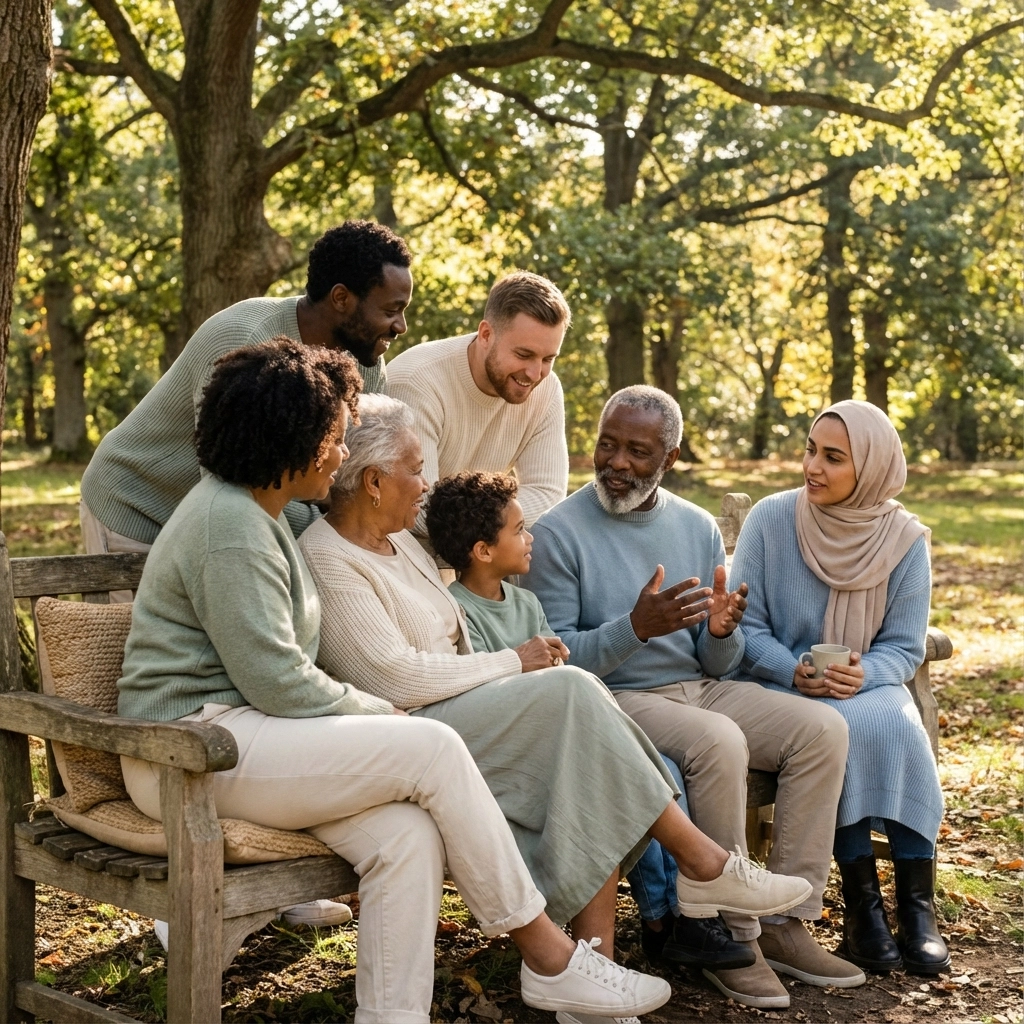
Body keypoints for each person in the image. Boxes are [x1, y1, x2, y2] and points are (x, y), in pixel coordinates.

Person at [115, 337, 683, 1024]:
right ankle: (550, 956)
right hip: (190, 750)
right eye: (333, 437)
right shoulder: (229, 526)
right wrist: (385, 715)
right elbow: (280, 683)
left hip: (243, 740)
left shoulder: (252, 513)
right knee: (433, 749)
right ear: (291, 437)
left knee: (406, 837)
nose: (340, 455)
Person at [298, 393, 816, 1020]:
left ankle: (592, 960)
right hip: (410, 736)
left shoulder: (402, 541)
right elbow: (395, 678)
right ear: (375, 482)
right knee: (573, 692)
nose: (424, 482)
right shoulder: (329, 558)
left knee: (582, 743)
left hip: (468, 715)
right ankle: (700, 863)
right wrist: (515, 662)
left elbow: (473, 550)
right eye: (415, 468)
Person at [524, 385, 865, 1010]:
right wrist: (636, 627)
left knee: (821, 730)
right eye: (607, 444)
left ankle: (789, 921)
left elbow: (718, 663)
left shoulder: (696, 524)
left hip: (702, 687)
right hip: (616, 698)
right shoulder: (557, 534)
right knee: (719, 741)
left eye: (637, 450)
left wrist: (719, 631)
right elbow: (560, 661)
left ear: (670, 457)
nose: (617, 462)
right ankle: (736, 940)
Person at [427, 470, 756, 976]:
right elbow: (498, 697)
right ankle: (668, 913)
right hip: (517, 754)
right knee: (607, 778)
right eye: (518, 530)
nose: (530, 536)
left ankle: (651, 931)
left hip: (563, 732)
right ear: (483, 551)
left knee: (641, 765)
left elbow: (561, 672)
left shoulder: (527, 602)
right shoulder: (458, 612)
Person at [729, 400, 949, 976]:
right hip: (783, 685)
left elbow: (904, 646)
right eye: (810, 449)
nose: (813, 467)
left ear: (871, 468)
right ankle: (862, 907)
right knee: (835, 727)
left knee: (891, 725)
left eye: (833, 457)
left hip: (869, 683)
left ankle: (916, 908)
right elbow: (745, 629)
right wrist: (793, 669)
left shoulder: (904, 539)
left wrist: (865, 674)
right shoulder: (772, 519)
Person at [80, 220, 413, 560]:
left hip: (233, 522)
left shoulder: (362, 361)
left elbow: (357, 474)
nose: (401, 326)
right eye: (391, 311)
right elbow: (230, 484)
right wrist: (330, 522)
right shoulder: (244, 339)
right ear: (341, 298)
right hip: (138, 511)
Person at [386, 271, 569, 537]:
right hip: (405, 553)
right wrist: (503, 521)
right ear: (485, 334)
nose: (534, 373)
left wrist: (484, 521)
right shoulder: (417, 381)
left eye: (548, 359)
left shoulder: (547, 389)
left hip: (481, 555)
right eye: (523, 354)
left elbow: (547, 497)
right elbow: (419, 508)